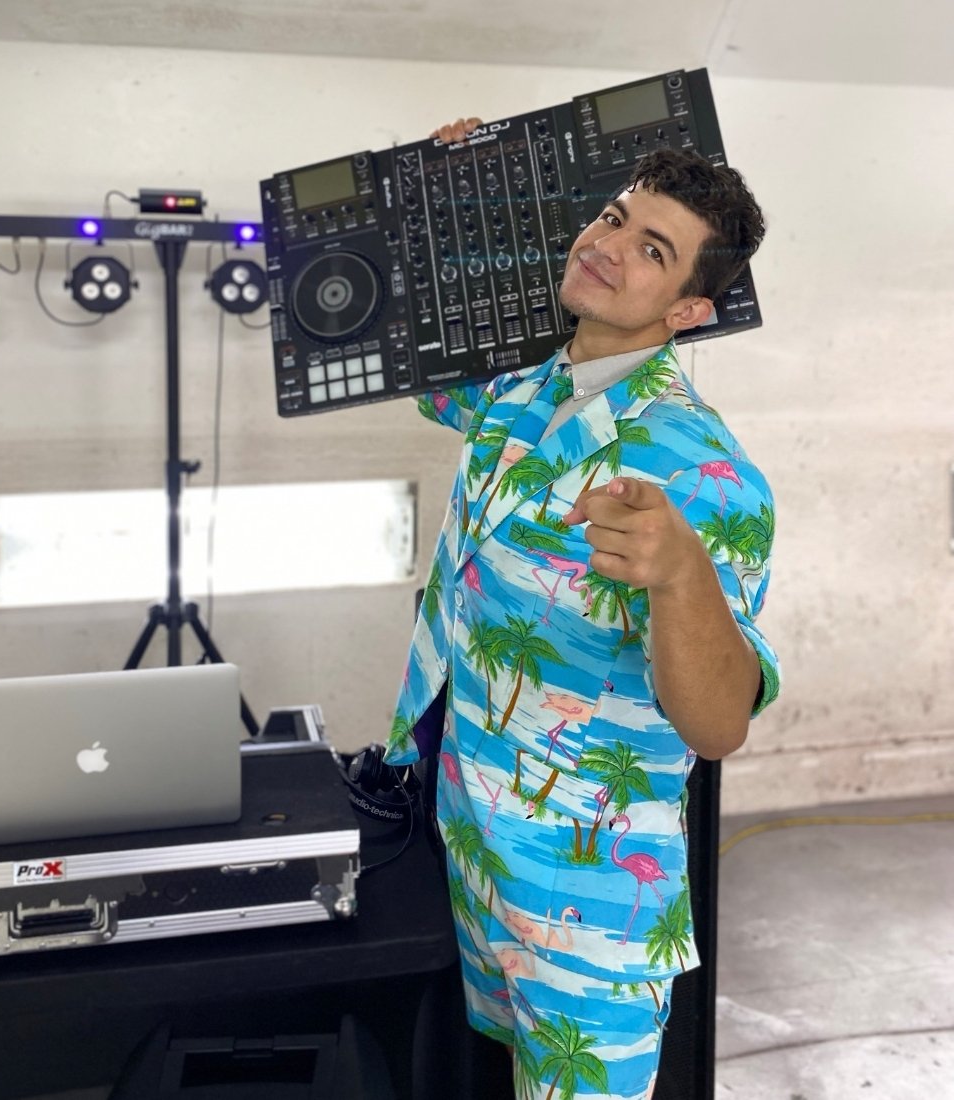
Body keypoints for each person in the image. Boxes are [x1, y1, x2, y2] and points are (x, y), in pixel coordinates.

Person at [384, 116, 781, 1099]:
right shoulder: (519, 390)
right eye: (612, 218)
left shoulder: (711, 472)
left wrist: (684, 576)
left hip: (586, 896)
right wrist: (450, 196)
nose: (608, 246)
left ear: (689, 309)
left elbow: (719, 724)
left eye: (653, 250)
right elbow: (422, 369)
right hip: (463, 839)